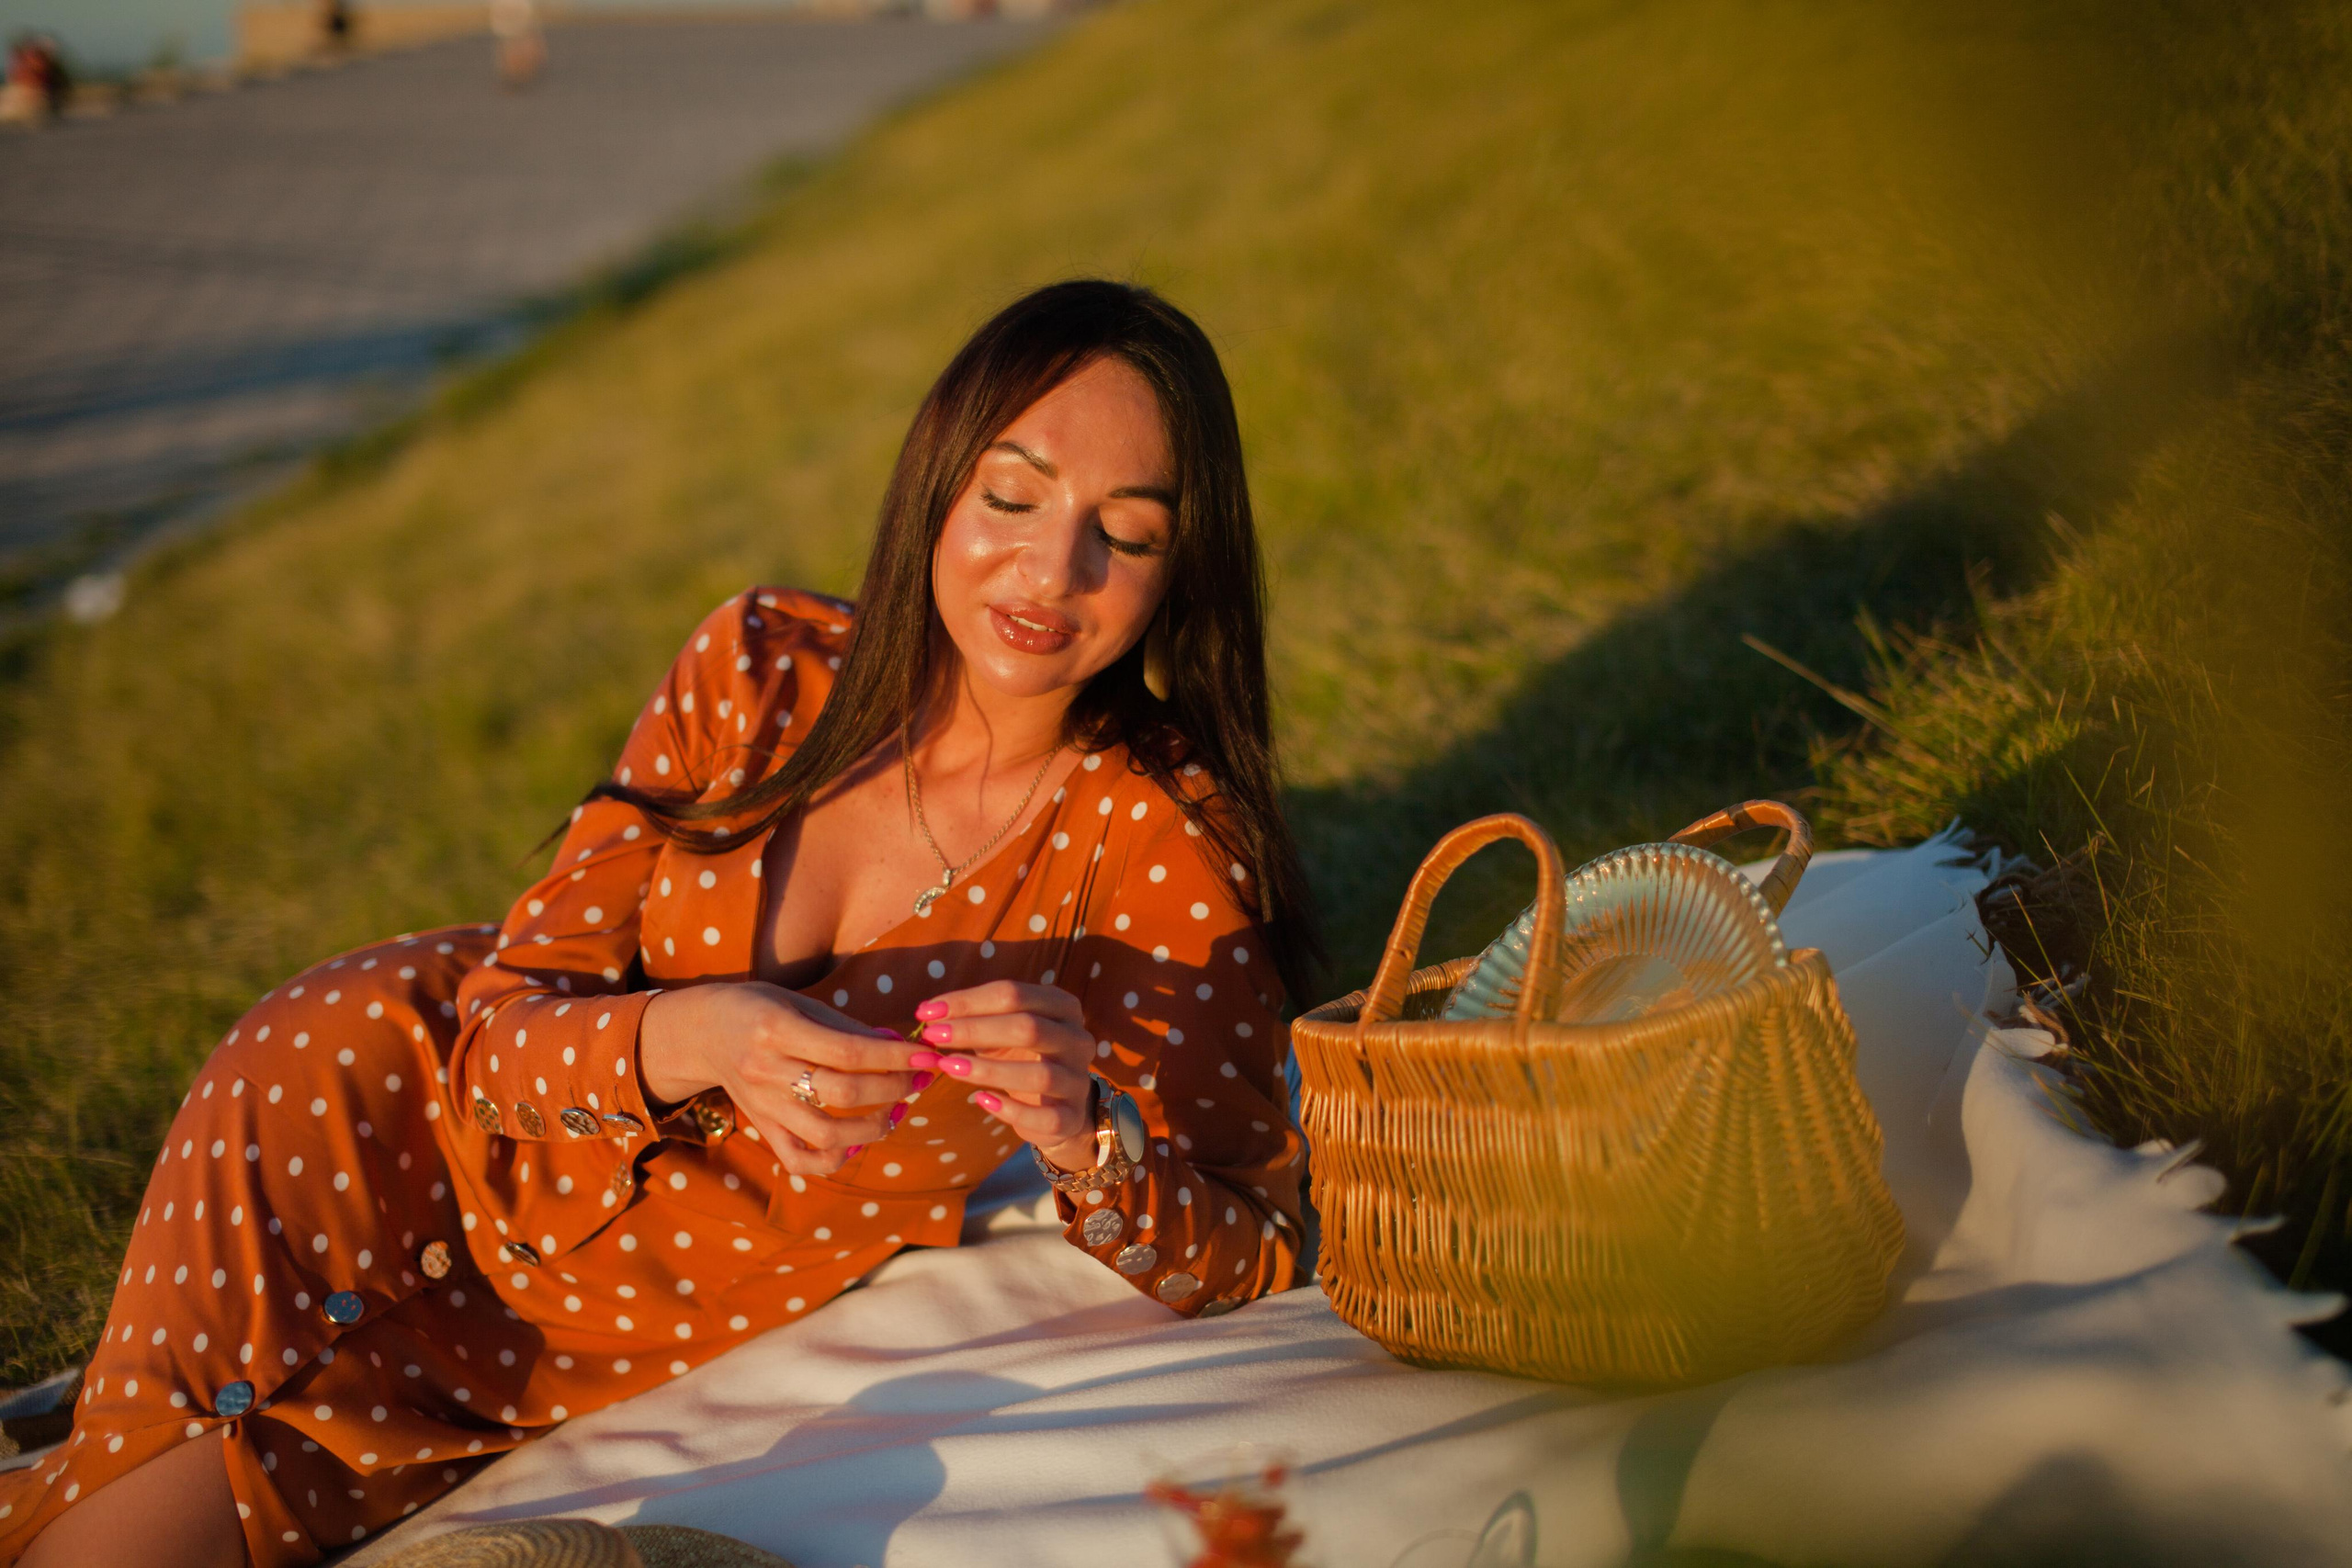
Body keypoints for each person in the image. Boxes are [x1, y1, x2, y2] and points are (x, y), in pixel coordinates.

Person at [0, 280, 1321, 1567]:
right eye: (1012, 497)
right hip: (358, 1112)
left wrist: (1085, 1136)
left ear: (1179, 569)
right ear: (937, 485)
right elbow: (492, 1037)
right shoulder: (761, 665)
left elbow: (1249, 1245)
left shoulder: (1152, 841)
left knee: (110, 1530)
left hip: (539, 1343)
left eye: (1125, 534)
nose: (1051, 568)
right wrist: (700, 1035)